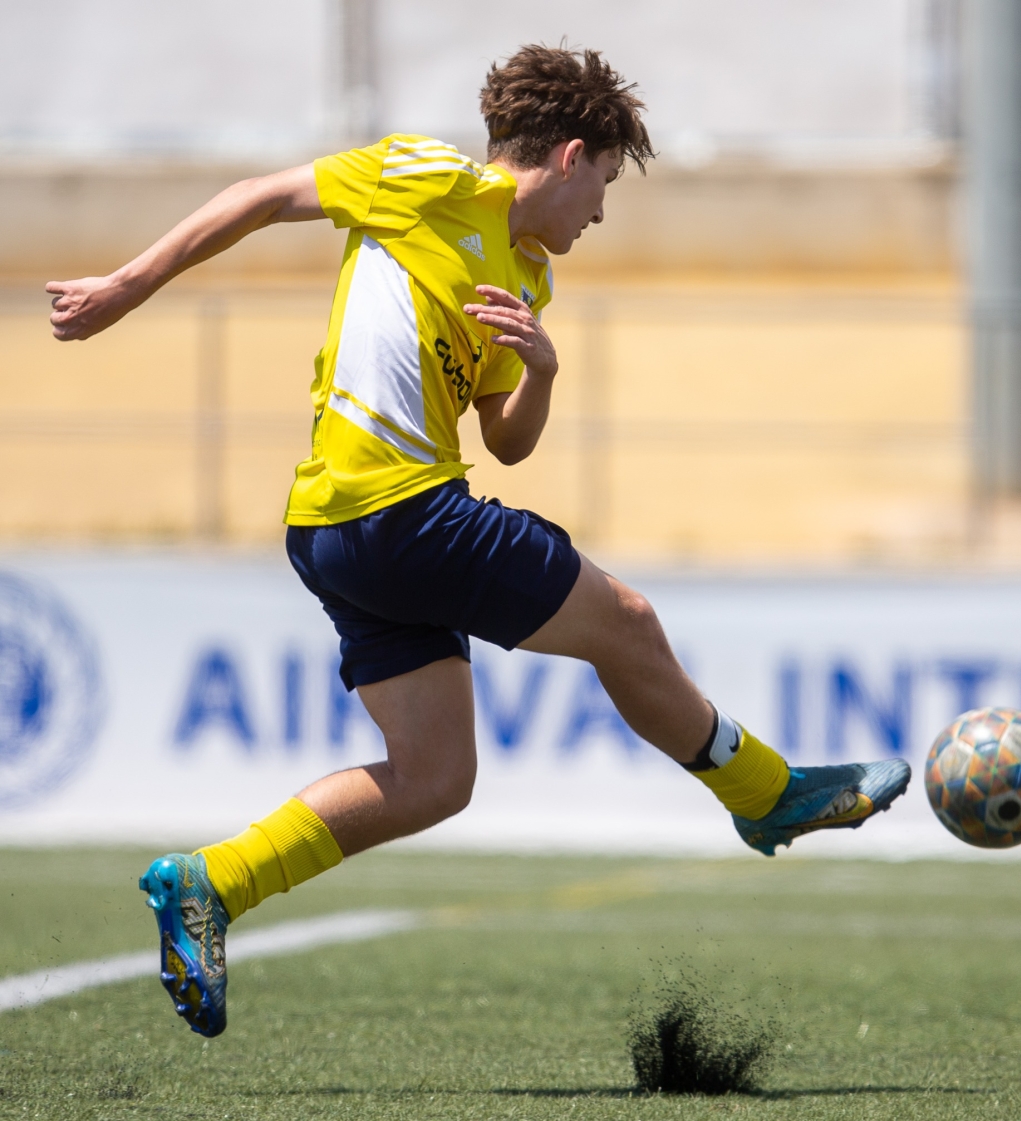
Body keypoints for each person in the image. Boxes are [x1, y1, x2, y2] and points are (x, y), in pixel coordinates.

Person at [47, 45, 910, 1039]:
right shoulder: (427, 178)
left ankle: (210, 882)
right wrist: (127, 285)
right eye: (604, 184)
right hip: (394, 508)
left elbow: (506, 438)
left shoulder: (529, 276)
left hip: (340, 530)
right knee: (625, 620)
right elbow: (258, 195)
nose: (600, 211)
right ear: (572, 155)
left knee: (435, 778)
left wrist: (541, 370)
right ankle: (768, 792)